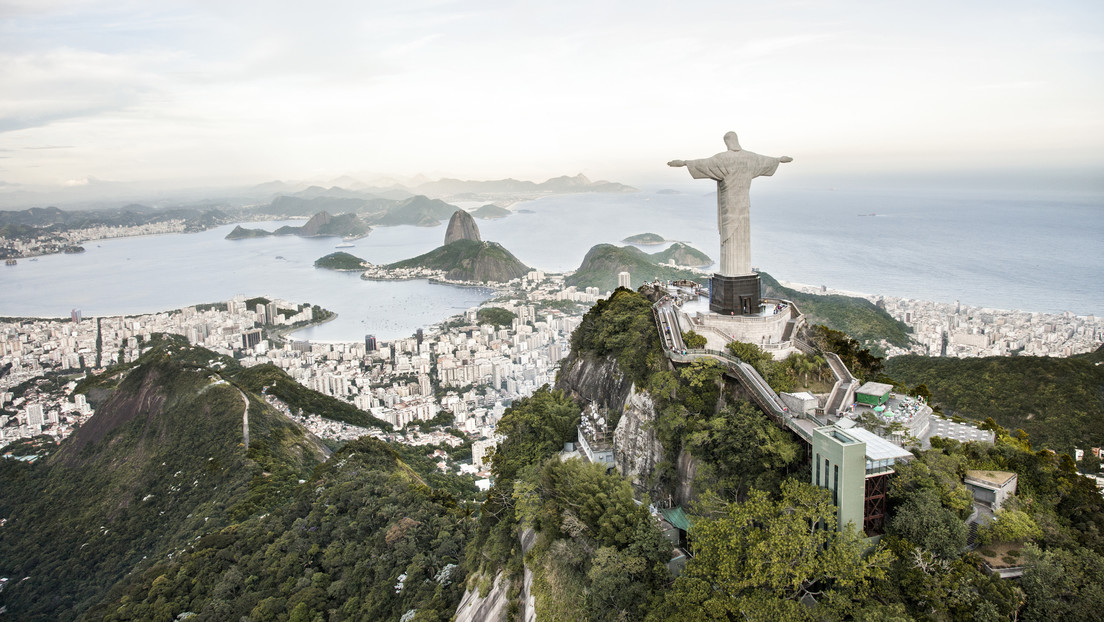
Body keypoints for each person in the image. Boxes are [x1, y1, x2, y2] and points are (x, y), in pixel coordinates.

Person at [669, 132, 792, 276]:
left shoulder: (723, 158)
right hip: (743, 204)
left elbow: (704, 164)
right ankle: (739, 271)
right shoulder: (751, 157)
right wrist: (779, 159)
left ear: (727, 142)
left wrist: (684, 163)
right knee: (741, 233)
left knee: (730, 234)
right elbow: (766, 161)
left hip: (729, 204)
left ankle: (733, 271)